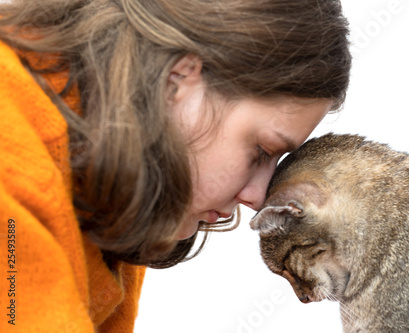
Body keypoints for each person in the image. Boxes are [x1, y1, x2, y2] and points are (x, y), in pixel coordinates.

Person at [0, 0, 351, 331]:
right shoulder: (11, 163)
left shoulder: (112, 196)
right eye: (261, 150)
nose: (258, 197)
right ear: (178, 80)